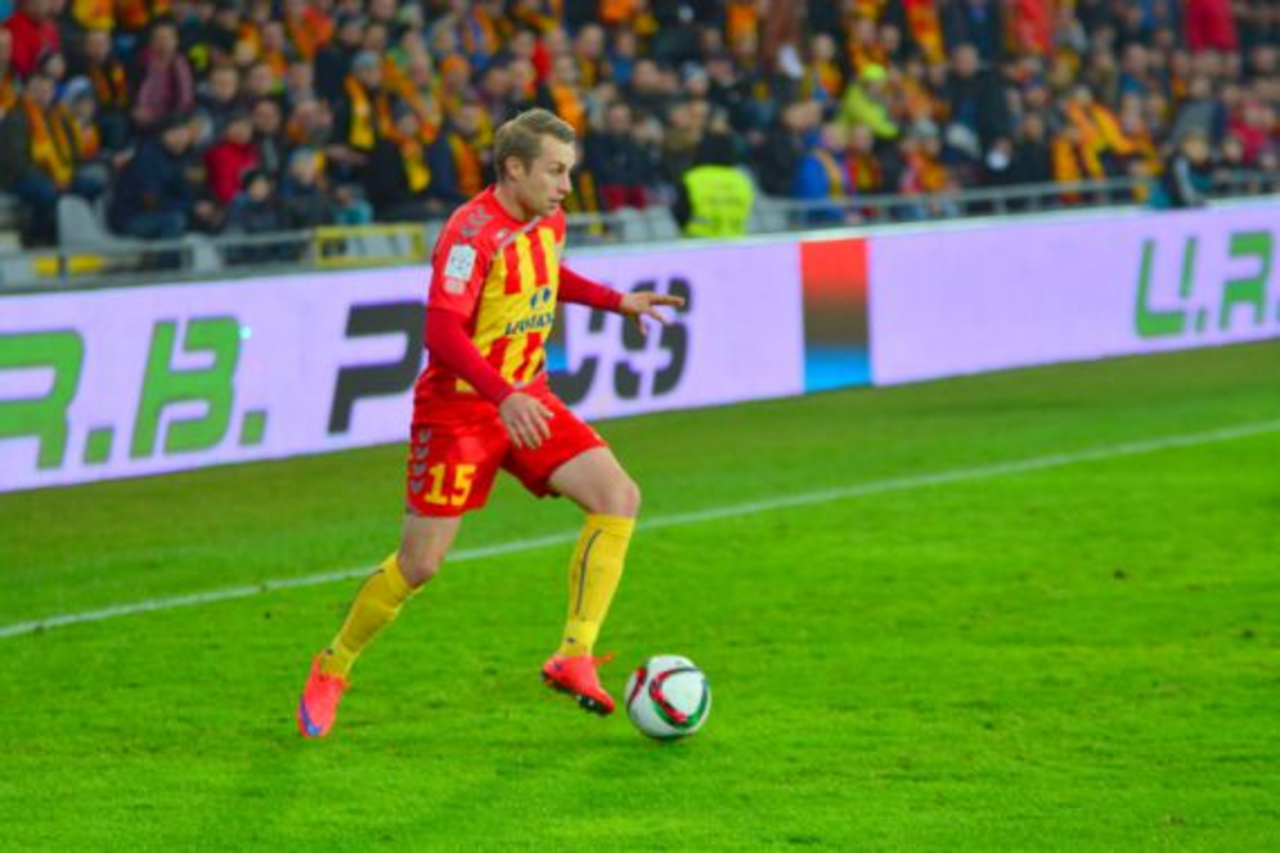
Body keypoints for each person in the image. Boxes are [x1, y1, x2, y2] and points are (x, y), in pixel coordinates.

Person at [296, 108, 684, 739]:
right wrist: (502, 396)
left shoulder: (548, 219)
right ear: (514, 168)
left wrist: (616, 301)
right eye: (555, 172)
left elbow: (546, 275)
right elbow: (441, 331)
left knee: (618, 496)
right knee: (420, 564)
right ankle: (333, 665)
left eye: (569, 171)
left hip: (527, 397)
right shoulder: (468, 235)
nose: (566, 187)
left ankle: (574, 654)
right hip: (460, 411)